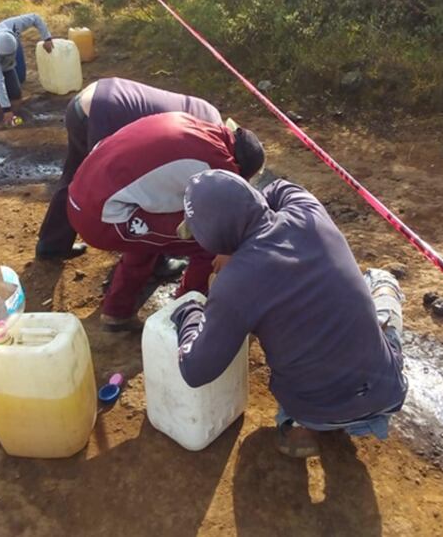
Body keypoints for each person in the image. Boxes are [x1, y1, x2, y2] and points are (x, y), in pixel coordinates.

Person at [170, 169, 408, 458]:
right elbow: (280, 186)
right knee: (380, 280)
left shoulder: (234, 285)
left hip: (314, 410)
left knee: (273, 328)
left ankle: (299, 427)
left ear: (211, 238)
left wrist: (190, 311)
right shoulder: (308, 211)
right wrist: (249, 227)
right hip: (387, 391)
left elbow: (195, 370)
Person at [67, 113, 265, 332]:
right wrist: (227, 248)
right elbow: (221, 224)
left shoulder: (199, 126)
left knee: (149, 239)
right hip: (99, 217)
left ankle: (117, 311)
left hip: (81, 196)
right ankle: (182, 314)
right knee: (207, 244)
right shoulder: (219, 164)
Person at [35, 77, 223, 261]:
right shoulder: (207, 139)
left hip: (86, 103)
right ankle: (152, 261)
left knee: (75, 176)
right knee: (122, 186)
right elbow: (160, 186)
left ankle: (52, 245)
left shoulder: (209, 115)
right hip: (105, 114)